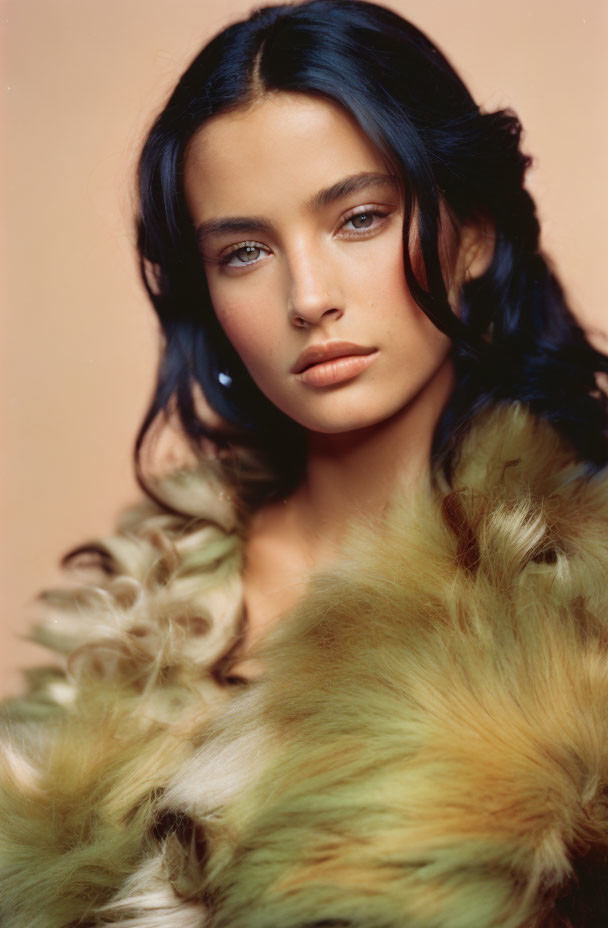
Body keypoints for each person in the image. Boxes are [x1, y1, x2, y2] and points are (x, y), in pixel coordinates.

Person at [1, 1, 607, 925]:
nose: (308, 297)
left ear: (472, 234)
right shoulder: (135, 613)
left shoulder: (578, 614)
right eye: (245, 252)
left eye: (359, 219)